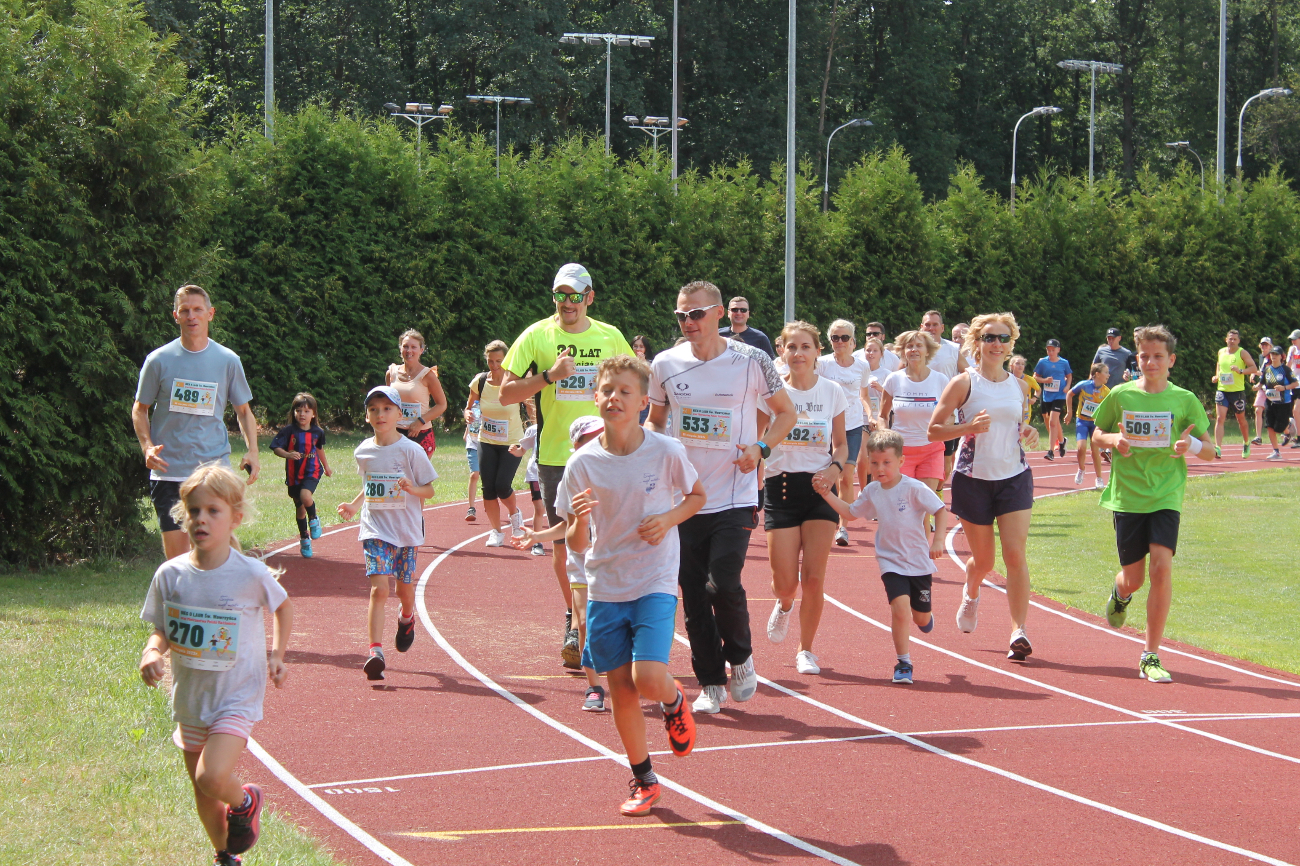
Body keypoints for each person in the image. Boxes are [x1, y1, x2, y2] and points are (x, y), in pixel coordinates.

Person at [558, 355, 706, 817]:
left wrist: (668, 518)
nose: (613, 398)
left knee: (646, 677)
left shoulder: (665, 451)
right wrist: (579, 521)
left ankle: (674, 698)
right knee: (620, 688)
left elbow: (697, 497)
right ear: (595, 397)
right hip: (606, 583)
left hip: (655, 578)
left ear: (643, 402)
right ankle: (645, 779)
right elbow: (575, 544)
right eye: (606, 390)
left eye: (624, 391)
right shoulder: (581, 464)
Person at [647, 280, 796, 714]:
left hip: (735, 494)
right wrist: (660, 454)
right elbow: (656, 420)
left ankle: (742, 657)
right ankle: (710, 682)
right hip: (685, 496)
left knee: (723, 583)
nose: (687, 322)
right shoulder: (664, 364)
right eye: (680, 315)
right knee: (692, 595)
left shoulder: (752, 361)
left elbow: (786, 412)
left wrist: (761, 448)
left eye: (695, 314)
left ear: (717, 315)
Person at [139, 463, 293, 864]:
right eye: (193, 511)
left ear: (234, 518)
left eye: (213, 511)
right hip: (192, 699)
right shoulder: (170, 575)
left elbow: (283, 607)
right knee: (203, 793)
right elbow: (162, 629)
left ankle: (246, 801)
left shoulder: (249, 573)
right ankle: (226, 856)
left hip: (235, 696)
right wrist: (152, 652)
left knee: (212, 777)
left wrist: (277, 654)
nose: (201, 519)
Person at [499, 263, 634, 668]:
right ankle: (575, 620)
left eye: (575, 295)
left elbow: (636, 385)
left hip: (609, 453)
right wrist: (548, 376)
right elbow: (506, 393)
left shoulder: (610, 336)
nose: (567, 303)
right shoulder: (536, 335)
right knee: (566, 546)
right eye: (561, 295)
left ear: (589, 297)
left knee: (612, 539)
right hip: (558, 455)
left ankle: (612, 618)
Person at [1093, 325, 1213, 683]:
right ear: (1137, 358)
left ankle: (1150, 654)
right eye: (1144, 356)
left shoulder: (1185, 399)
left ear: (1171, 360)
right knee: (1134, 578)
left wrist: (1188, 447)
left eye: (1158, 356)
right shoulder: (1120, 394)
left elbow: (1211, 450)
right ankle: (1120, 591)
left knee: (1162, 567)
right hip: (1128, 497)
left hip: (1166, 495)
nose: (1150, 362)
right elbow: (1097, 432)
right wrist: (1113, 438)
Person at [931, 313, 1040, 661]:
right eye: (990, 337)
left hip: (1014, 477)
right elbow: (934, 429)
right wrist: (967, 429)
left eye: (1003, 338)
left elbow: (1018, 426)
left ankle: (1017, 631)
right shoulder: (964, 383)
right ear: (977, 342)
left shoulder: (1020, 386)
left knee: (1015, 555)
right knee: (984, 560)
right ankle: (972, 588)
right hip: (974, 480)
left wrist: (1030, 433)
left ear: (1012, 344)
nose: (997, 344)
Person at [132, 285, 261, 562]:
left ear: (210, 314)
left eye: (198, 310)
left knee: (215, 556)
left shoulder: (228, 360)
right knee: (178, 563)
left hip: (213, 471)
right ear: (175, 316)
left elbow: (244, 411)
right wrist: (147, 447)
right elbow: (140, 409)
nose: (192, 316)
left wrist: (253, 451)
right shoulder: (158, 360)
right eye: (185, 310)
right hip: (170, 472)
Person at [821, 430, 946, 684]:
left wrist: (940, 540)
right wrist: (826, 493)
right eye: (874, 463)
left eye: (886, 462)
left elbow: (941, 510)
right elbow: (851, 512)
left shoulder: (914, 488)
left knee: (920, 617)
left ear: (901, 461)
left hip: (918, 562)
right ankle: (904, 662)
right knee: (900, 609)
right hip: (890, 561)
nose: (880, 468)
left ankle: (925, 617)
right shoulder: (872, 491)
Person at [337, 386, 438, 680]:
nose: (380, 415)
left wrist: (412, 488)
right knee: (379, 589)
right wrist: (355, 507)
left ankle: (407, 618)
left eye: (386, 409)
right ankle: (375, 651)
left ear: (399, 414)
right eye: (373, 410)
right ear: (367, 416)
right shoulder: (363, 451)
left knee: (404, 591)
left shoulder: (412, 450)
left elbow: (429, 491)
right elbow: (370, 483)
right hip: (375, 528)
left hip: (406, 531)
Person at [765, 321, 848, 675]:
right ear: (781, 351)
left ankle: (806, 649)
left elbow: (842, 444)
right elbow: (756, 439)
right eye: (791, 347)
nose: (798, 353)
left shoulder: (832, 391)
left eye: (805, 347)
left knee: (814, 579)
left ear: (817, 352)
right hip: (780, 489)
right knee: (786, 583)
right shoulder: (769, 393)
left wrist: (835, 468)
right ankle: (784, 605)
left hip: (819, 492)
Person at [515, 415, 614, 710]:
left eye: (601, 435)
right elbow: (566, 525)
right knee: (583, 622)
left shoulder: (620, 473)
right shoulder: (571, 479)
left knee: (620, 624)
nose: (597, 442)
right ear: (576, 444)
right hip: (582, 561)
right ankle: (594, 687)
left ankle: (629, 674)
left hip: (615, 562)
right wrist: (538, 535)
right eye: (589, 438)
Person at [816, 319, 871, 546]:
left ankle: (843, 527)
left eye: (844, 338)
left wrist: (871, 416)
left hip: (852, 425)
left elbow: (863, 395)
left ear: (853, 341)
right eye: (835, 338)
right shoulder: (822, 364)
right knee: (823, 474)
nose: (840, 342)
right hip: (825, 426)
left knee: (846, 476)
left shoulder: (862, 366)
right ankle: (822, 520)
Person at [468, 341, 527, 547]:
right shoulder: (480, 381)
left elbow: (531, 404)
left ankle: (515, 515)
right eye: (491, 361)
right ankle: (496, 531)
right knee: (488, 489)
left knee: (503, 486)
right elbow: (471, 407)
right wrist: (468, 415)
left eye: (499, 361)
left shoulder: (514, 381)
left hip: (511, 441)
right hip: (487, 440)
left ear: (507, 360)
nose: (494, 366)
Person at [880, 330, 948, 496]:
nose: (914, 350)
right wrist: (884, 436)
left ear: (927, 351)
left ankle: (926, 523)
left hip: (931, 449)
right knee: (902, 502)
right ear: (903, 351)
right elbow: (883, 415)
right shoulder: (893, 379)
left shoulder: (941, 380)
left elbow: (950, 414)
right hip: (901, 450)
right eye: (909, 346)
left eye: (919, 346)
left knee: (924, 501)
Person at [269, 393, 333, 557]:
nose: (302, 414)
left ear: (313, 414)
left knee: (306, 496)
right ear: (294, 412)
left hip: (312, 471)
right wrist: (288, 455)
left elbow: (319, 449)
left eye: (306, 411)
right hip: (293, 475)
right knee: (299, 508)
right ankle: (304, 538)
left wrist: (326, 466)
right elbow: (276, 448)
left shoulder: (318, 432)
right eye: (299, 410)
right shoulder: (288, 431)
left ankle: (314, 519)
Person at [919, 310, 969, 484]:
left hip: (947, 411)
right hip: (918, 410)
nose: (931, 328)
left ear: (942, 327)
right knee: (919, 455)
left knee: (946, 459)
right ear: (921, 327)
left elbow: (968, 374)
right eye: (927, 324)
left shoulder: (953, 349)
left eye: (934, 325)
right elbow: (899, 372)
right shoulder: (914, 348)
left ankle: (938, 491)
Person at [385, 329, 449, 458]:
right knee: (395, 476)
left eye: (414, 347)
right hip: (394, 433)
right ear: (400, 349)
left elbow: (441, 405)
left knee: (417, 478)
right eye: (405, 347)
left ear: (421, 350)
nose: (409, 351)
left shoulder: (428, 375)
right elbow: (387, 403)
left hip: (420, 433)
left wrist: (420, 421)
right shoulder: (391, 373)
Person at [1210, 329, 1258, 458]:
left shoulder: (1242, 352)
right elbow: (1219, 364)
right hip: (1222, 390)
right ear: (1226, 339)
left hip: (1237, 392)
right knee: (1220, 418)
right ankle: (1218, 447)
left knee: (1240, 420)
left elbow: (1253, 368)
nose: (1232, 341)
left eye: (1234, 339)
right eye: (1230, 338)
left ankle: (1246, 442)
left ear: (1238, 341)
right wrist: (1216, 376)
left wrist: (1240, 370)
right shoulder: (1221, 351)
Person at [1065, 363, 1110, 488]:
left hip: (1096, 423)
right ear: (1097, 374)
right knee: (1081, 447)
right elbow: (1069, 394)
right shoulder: (1084, 385)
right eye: (1106, 372)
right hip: (1082, 421)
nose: (1108, 375)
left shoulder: (1106, 391)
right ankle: (1081, 469)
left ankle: (1099, 478)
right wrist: (1069, 412)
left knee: (1095, 450)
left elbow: (1109, 408)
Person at [856, 335, 890, 491]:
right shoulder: (859, 370)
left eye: (875, 350)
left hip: (880, 420)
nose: (871, 353)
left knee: (879, 458)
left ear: (881, 354)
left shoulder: (887, 374)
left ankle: (878, 490)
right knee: (862, 459)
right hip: (861, 419)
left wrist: (881, 389)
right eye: (868, 350)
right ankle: (864, 492)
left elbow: (894, 399)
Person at [511, 423, 548, 555]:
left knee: (560, 509)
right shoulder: (533, 430)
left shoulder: (563, 425)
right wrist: (516, 452)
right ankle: (537, 542)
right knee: (539, 508)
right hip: (536, 473)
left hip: (558, 471)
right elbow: (522, 450)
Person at [1033, 339, 1072, 461]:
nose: (1050, 352)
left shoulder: (1064, 363)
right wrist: (1045, 381)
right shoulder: (1042, 362)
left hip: (1059, 395)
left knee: (1052, 422)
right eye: (1048, 350)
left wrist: (1067, 386)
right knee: (1054, 421)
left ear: (1058, 350)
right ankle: (1062, 441)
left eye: (1053, 350)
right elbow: (1035, 376)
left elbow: (1069, 376)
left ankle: (1050, 451)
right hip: (1047, 396)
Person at [1258, 345, 1297, 459]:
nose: (1273, 356)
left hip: (1283, 403)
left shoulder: (1286, 370)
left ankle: (1288, 426)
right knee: (1269, 426)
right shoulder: (1267, 369)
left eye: (1276, 354)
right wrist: (1257, 386)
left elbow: (1296, 384)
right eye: (1272, 354)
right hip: (1270, 402)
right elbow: (1262, 382)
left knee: (1278, 428)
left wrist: (1284, 388)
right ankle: (1276, 451)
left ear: (1282, 356)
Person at [1249, 337, 1274, 447]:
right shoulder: (1261, 357)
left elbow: (1267, 373)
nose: (1264, 347)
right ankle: (1258, 437)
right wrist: (1253, 373)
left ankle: (1288, 428)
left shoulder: (1273, 358)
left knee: (1276, 414)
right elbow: (1260, 371)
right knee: (1258, 410)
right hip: (1263, 389)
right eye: (1262, 345)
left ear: (1270, 347)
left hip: (1273, 389)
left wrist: (1255, 373)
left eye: (1266, 345)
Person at [632, 335, 657, 424]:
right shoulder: (627, 364)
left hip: (645, 401)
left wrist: (642, 363)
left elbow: (649, 379)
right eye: (635, 346)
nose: (638, 349)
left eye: (641, 346)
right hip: (631, 399)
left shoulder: (651, 364)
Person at [1009, 355, 1040, 427]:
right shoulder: (1007, 379)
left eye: (1022, 364)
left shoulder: (1029, 379)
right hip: (1011, 411)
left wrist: (1034, 398)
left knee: (1021, 431)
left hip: (1025, 412)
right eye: (1017, 363)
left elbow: (1038, 389)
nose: (1020, 366)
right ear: (1011, 366)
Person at [463, 399, 480, 522]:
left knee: (489, 477)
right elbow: (470, 418)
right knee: (474, 475)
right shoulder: (472, 403)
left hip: (488, 443)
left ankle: (490, 501)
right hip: (473, 444)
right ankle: (471, 507)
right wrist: (466, 432)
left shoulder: (491, 400)